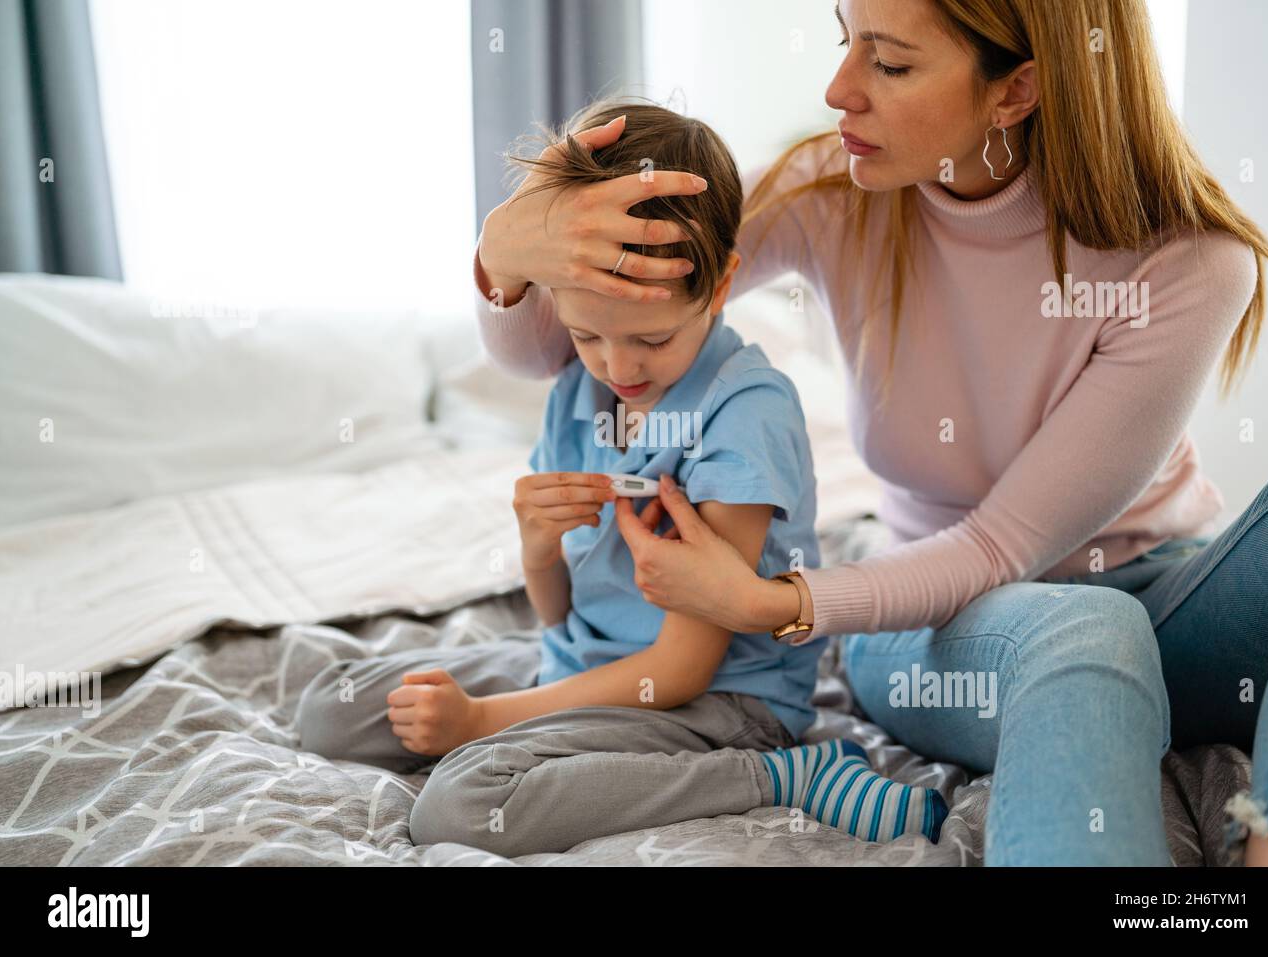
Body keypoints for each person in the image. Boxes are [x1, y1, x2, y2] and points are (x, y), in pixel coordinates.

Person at [471, 0, 1268, 866]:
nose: (837, 89)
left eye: (889, 63)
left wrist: (770, 604)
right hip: (929, 623)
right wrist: (508, 249)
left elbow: (1000, 542)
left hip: (1166, 599)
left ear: (1017, 90)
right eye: (844, 41)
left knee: (1112, 615)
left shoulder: (1194, 262)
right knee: (1087, 628)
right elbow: (559, 343)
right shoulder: (832, 190)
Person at [298, 101, 946, 857]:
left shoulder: (744, 414)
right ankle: (532, 721)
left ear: (724, 281)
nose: (620, 367)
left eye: (653, 336)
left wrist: (481, 720)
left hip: (714, 700)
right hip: (587, 658)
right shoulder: (580, 388)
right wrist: (537, 547)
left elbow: (680, 667)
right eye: (586, 334)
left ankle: (781, 776)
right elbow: (557, 613)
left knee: (465, 806)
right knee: (332, 706)